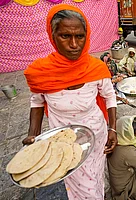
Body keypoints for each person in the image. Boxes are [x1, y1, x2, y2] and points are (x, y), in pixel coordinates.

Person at [23, 5, 117, 199]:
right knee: (74, 178)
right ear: (53, 36)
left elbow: (109, 96)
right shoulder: (41, 72)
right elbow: (37, 102)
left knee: (94, 177)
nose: (74, 44)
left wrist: (112, 128)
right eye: (65, 36)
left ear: (86, 35)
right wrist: (34, 135)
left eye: (80, 36)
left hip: (96, 135)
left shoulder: (96, 69)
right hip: (64, 139)